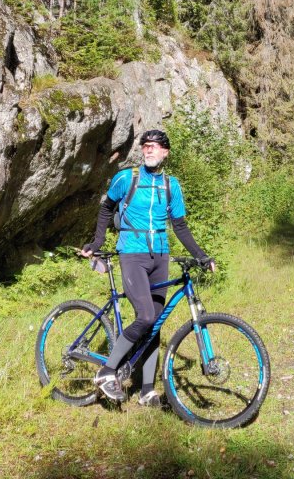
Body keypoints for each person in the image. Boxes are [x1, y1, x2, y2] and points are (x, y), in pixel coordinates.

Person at [80, 128, 216, 406]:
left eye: (155, 146)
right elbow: (106, 208)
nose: (149, 149)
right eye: (145, 145)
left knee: (154, 323)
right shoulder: (126, 178)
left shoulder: (171, 185)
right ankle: (107, 372)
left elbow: (179, 226)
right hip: (132, 253)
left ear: (165, 152)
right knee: (144, 316)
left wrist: (202, 256)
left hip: (160, 257)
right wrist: (97, 241)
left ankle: (146, 391)